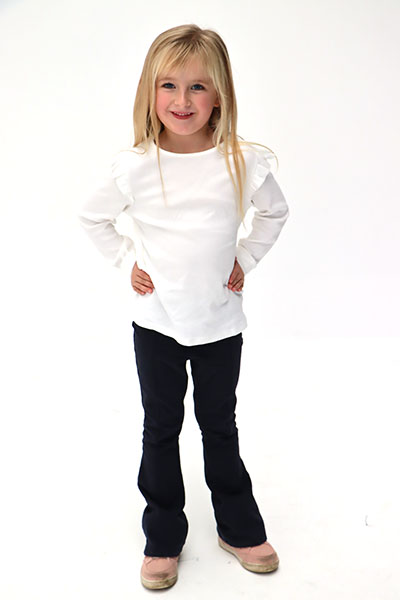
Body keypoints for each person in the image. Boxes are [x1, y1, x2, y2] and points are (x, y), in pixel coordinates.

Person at [78, 23, 289, 591]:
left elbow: (274, 213)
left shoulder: (242, 161)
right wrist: (127, 262)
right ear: (150, 91)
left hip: (219, 322)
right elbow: (92, 217)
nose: (182, 100)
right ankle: (163, 536)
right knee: (161, 429)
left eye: (198, 87)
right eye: (169, 85)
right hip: (157, 325)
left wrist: (246, 257)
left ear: (220, 94)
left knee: (219, 427)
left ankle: (239, 529)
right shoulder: (135, 166)